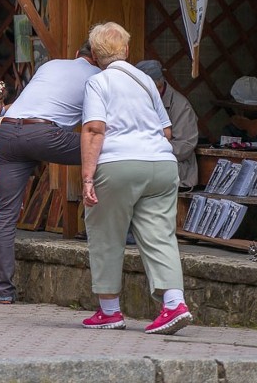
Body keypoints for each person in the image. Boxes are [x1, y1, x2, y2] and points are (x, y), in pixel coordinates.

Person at [80, 22, 192, 335]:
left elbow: (94, 129)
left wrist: (87, 178)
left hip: (118, 163)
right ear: (126, 50)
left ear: (95, 55)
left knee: (106, 234)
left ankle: (110, 311)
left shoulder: (97, 83)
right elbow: (167, 131)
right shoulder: (146, 81)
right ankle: (174, 303)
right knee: (160, 235)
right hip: (161, 164)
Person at [0, 41, 100, 304]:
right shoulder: (99, 77)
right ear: (98, 58)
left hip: (8, 130)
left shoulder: (51, 64)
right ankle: (117, 222)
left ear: (76, 54)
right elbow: (95, 126)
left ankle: (3, 291)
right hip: (44, 133)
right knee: (108, 152)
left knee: (4, 215)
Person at [136, 60, 199, 192]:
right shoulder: (136, 101)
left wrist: (151, 151)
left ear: (158, 87)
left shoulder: (181, 106)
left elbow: (185, 145)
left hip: (177, 170)